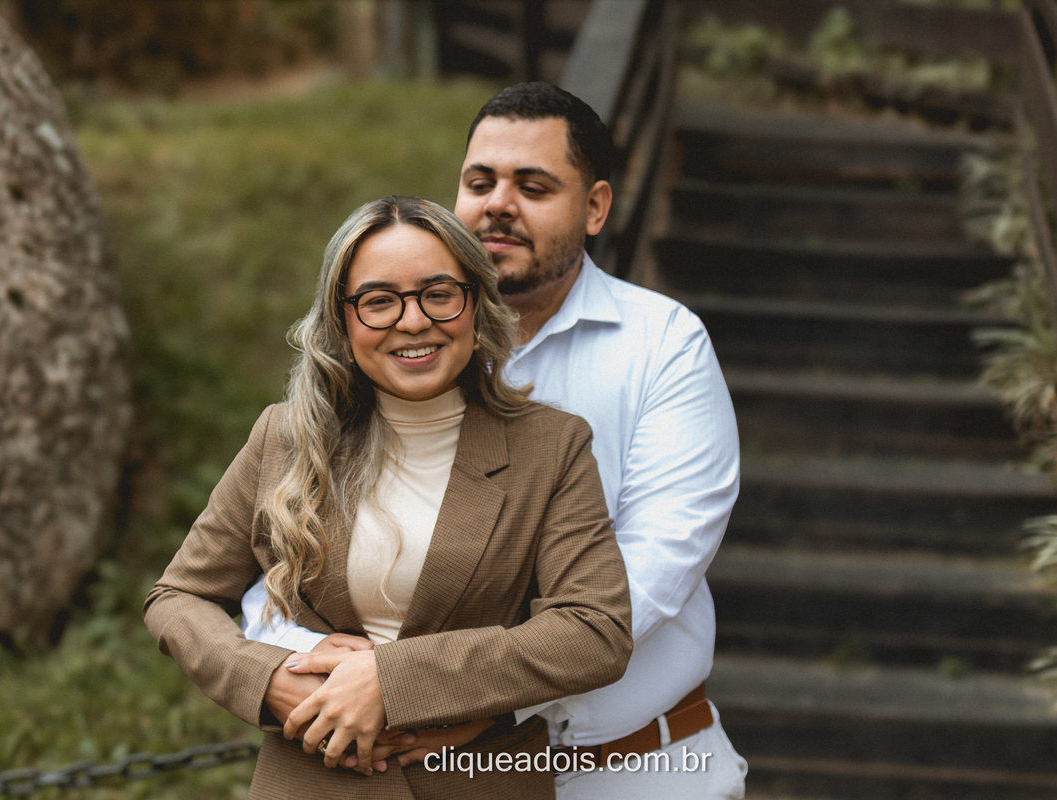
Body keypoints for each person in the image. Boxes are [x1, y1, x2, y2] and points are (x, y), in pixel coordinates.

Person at [244, 82, 746, 798]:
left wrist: (449, 692)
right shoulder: (411, 349)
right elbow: (288, 558)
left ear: (596, 207)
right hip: (437, 776)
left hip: (634, 771)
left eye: (533, 186)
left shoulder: (664, 345)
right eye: (479, 182)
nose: (497, 204)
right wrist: (318, 673)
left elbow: (652, 570)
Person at [145, 195, 633, 800]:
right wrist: (270, 679)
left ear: (475, 303)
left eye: (438, 293)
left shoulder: (551, 447)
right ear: (342, 323)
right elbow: (179, 597)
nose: (413, 321)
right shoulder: (286, 437)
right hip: (311, 782)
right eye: (379, 301)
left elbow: (594, 631)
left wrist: (392, 680)